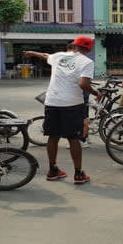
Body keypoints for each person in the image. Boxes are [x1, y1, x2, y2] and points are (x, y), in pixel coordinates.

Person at [24, 36, 99, 184]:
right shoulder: (87, 62)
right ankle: (78, 174)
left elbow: (45, 55)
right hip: (72, 103)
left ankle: (53, 170)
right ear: (89, 49)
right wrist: (96, 93)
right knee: (73, 138)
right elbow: (84, 84)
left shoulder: (59, 56)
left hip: (52, 102)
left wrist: (33, 53)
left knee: (53, 136)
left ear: (74, 45)